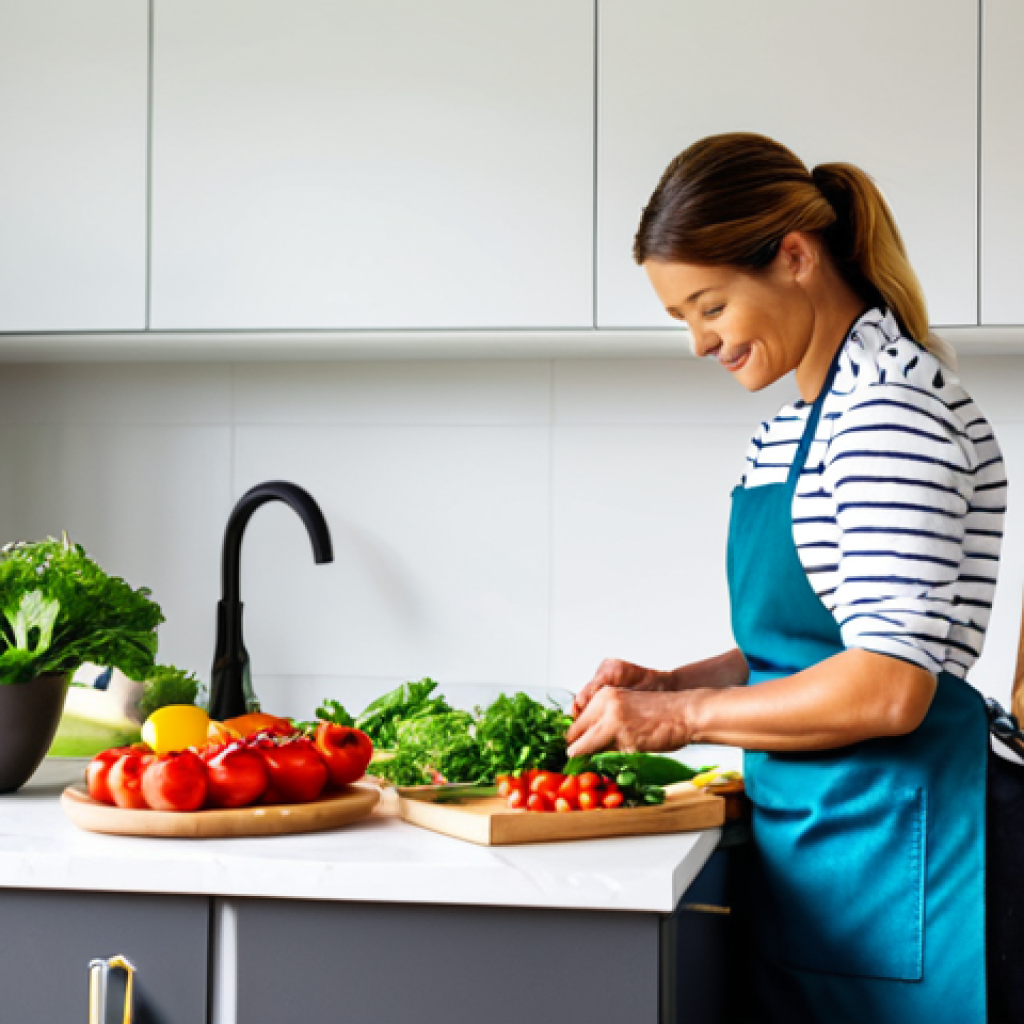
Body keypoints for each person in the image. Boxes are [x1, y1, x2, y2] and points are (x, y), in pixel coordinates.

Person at [566, 133, 1007, 1023]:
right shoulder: (803, 418)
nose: (698, 342)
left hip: (904, 852)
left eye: (710, 305)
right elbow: (811, 641)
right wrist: (678, 681)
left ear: (795, 257)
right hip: (830, 843)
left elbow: (888, 686)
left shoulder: (888, 407)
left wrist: (679, 718)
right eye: (681, 316)